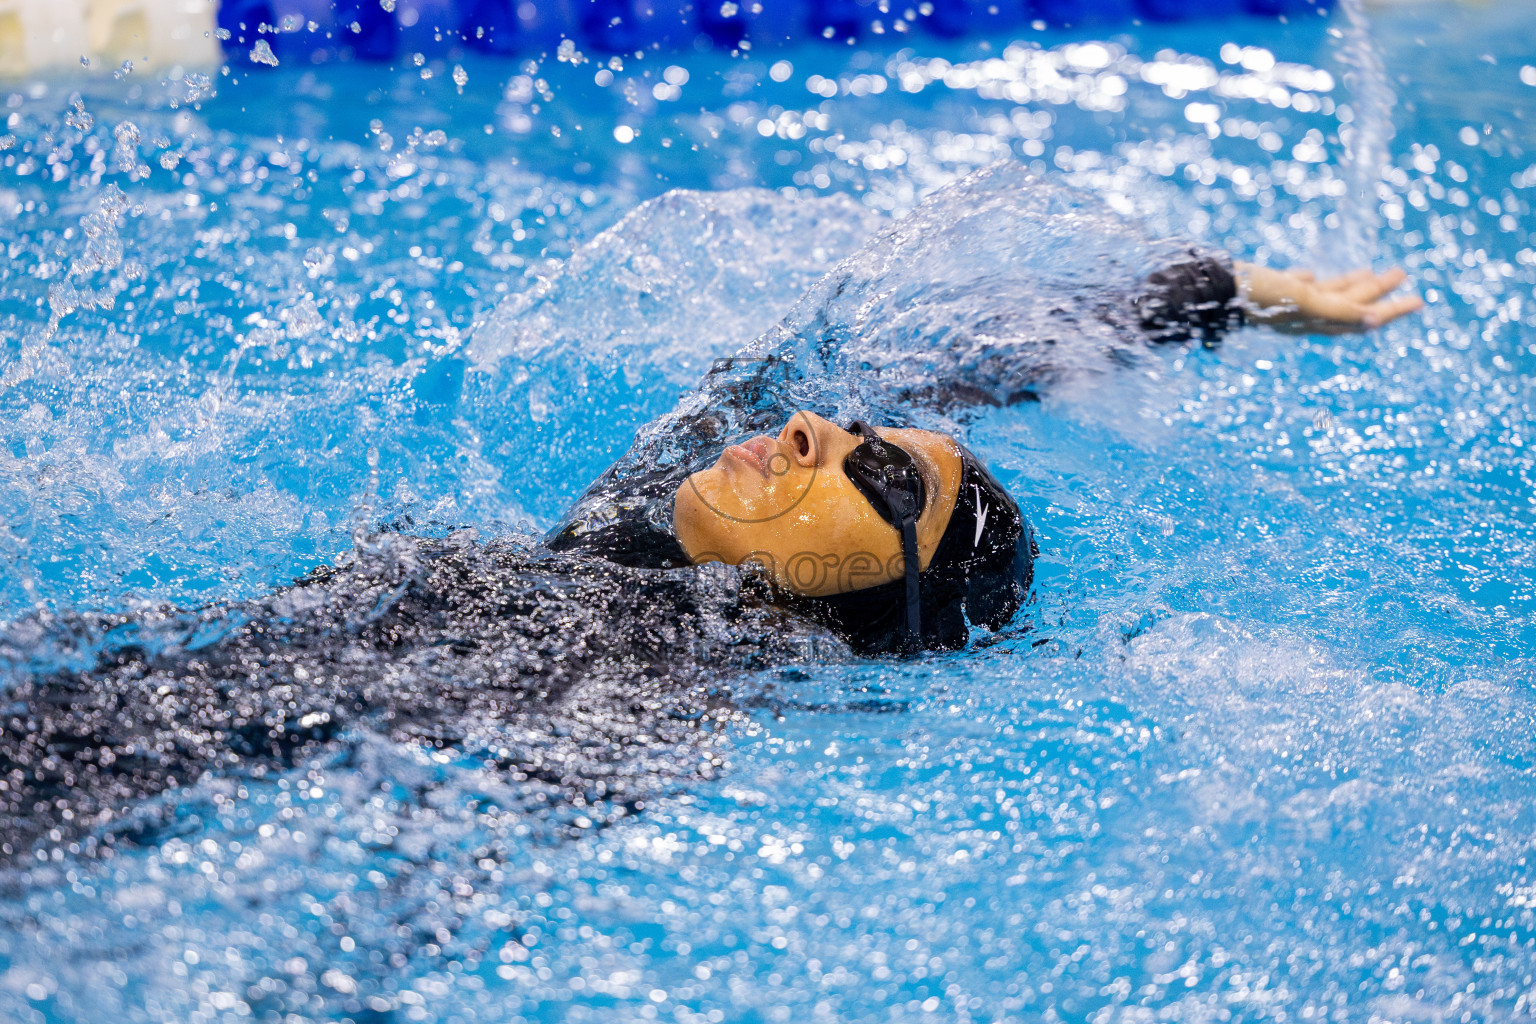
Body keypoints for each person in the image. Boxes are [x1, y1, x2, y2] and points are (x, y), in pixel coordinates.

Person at [0, 164, 1421, 858]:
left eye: (877, 476)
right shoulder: (641, 532)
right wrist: (1247, 292)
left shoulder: (634, 691)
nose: (813, 432)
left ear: (868, 616)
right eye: (852, 435)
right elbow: (936, 361)